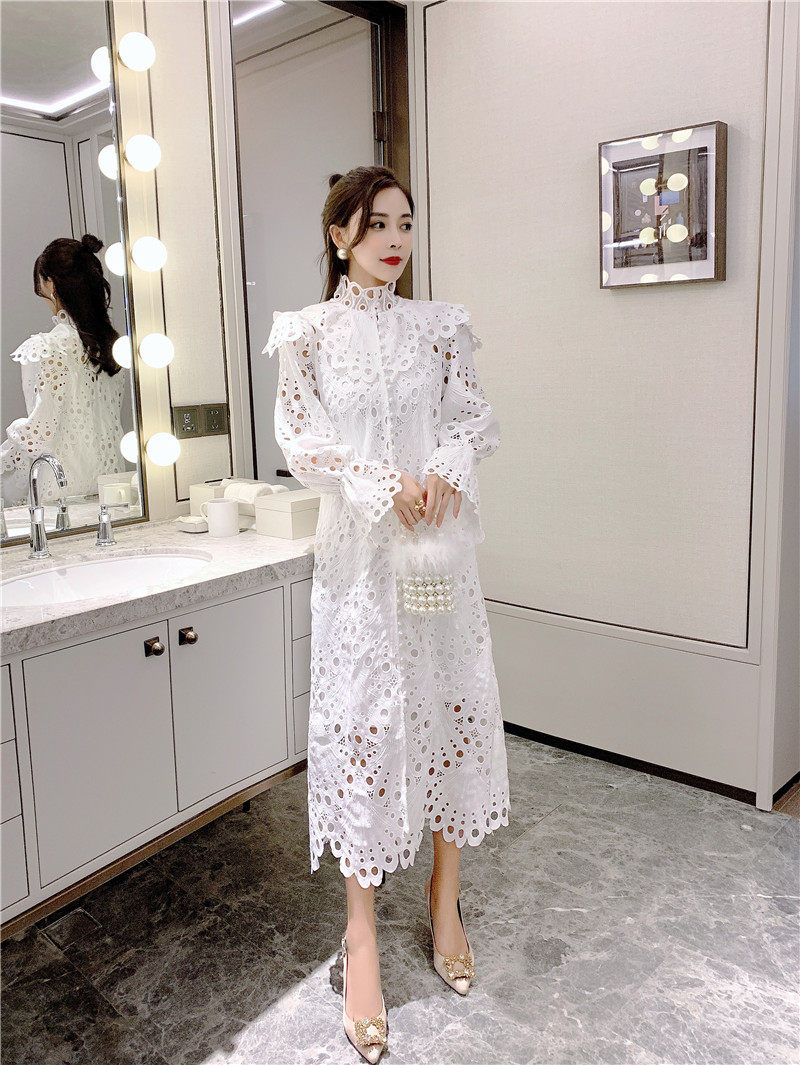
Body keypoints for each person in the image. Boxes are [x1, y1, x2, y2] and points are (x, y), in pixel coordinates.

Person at [264, 166, 509, 1062]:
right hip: (360, 570)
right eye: (376, 225)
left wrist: (444, 464)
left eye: (405, 223)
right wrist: (378, 477)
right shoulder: (307, 334)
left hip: (438, 563)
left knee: (450, 713)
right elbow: (302, 441)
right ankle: (360, 931)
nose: (395, 240)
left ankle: (445, 899)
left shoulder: (439, 326)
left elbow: (473, 417)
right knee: (363, 731)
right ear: (339, 235)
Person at [0, 234, 127, 507]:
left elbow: (39, 434)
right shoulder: (113, 349)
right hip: (113, 492)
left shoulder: (49, 348)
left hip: (61, 498)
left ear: (51, 284)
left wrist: (6, 456)